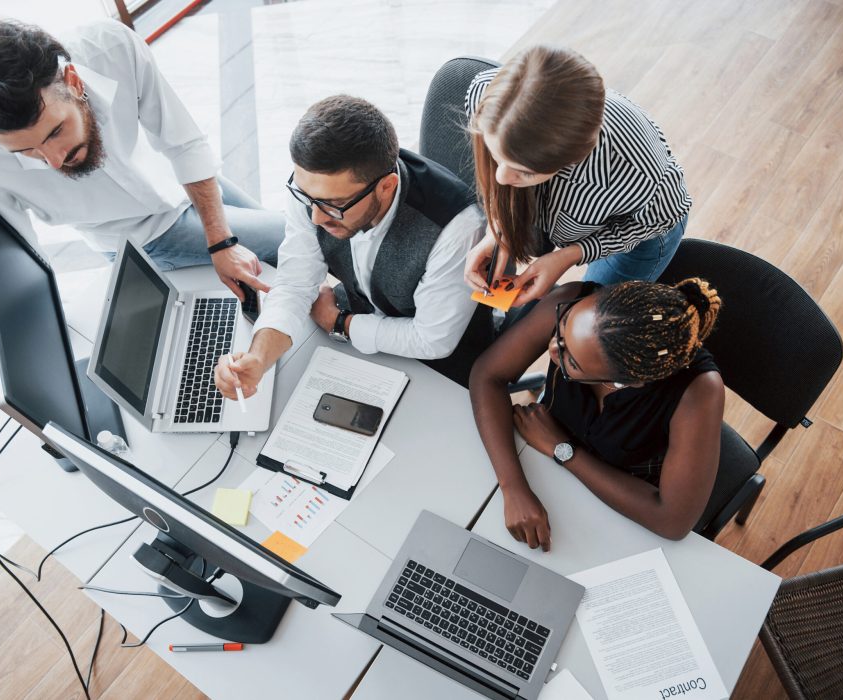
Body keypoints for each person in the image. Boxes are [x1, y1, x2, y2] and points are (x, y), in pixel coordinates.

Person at [0, 19, 283, 299]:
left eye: (55, 131)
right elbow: (21, 259)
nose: (55, 161)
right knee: (299, 235)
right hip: (145, 237)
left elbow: (183, 143)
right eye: (26, 151)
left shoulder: (112, 48)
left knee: (300, 238)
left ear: (72, 81)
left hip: (181, 181)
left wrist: (221, 242)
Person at [214, 94, 490, 396]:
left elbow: (433, 339)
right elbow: (295, 284)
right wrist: (258, 358)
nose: (316, 217)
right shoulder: (314, 191)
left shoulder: (457, 228)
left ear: (386, 187)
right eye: (308, 198)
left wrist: (340, 322)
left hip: (442, 364)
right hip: (359, 329)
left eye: (334, 205)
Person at [468, 278, 724, 548]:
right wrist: (512, 487)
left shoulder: (699, 391)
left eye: (572, 362)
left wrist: (564, 450)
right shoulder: (572, 299)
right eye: (562, 328)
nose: (553, 347)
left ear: (626, 382)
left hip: (621, 503)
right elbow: (487, 374)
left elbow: (672, 521)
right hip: (539, 461)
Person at [463, 45, 691, 306]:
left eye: (525, 171)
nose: (501, 177)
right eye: (496, 156)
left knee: (592, 314)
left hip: (641, 229)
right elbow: (504, 180)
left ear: (574, 160)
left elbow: (666, 213)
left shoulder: (638, 169)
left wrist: (570, 255)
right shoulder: (486, 96)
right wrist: (498, 232)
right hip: (569, 215)